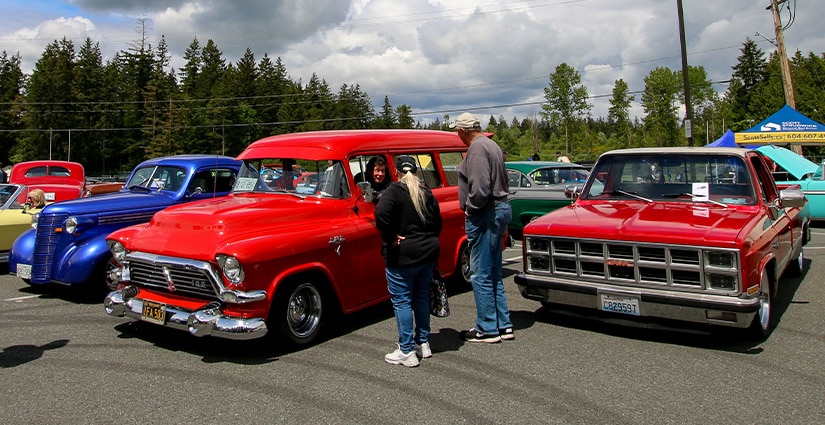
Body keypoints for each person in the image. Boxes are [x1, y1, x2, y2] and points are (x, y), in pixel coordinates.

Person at [451, 112, 514, 343]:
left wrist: (470, 208)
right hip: (500, 208)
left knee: (479, 273)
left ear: (463, 131)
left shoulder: (476, 149)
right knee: (493, 270)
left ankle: (487, 327)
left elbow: (481, 187)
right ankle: (502, 323)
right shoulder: (491, 145)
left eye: (457, 131)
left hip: (485, 212)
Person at [375, 155, 442, 367]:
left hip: (403, 254)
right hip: (428, 251)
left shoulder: (394, 191)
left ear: (396, 171)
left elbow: (380, 215)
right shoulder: (426, 190)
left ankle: (406, 350)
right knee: (421, 297)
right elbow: (437, 222)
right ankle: (423, 342)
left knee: (402, 300)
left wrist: (391, 236)